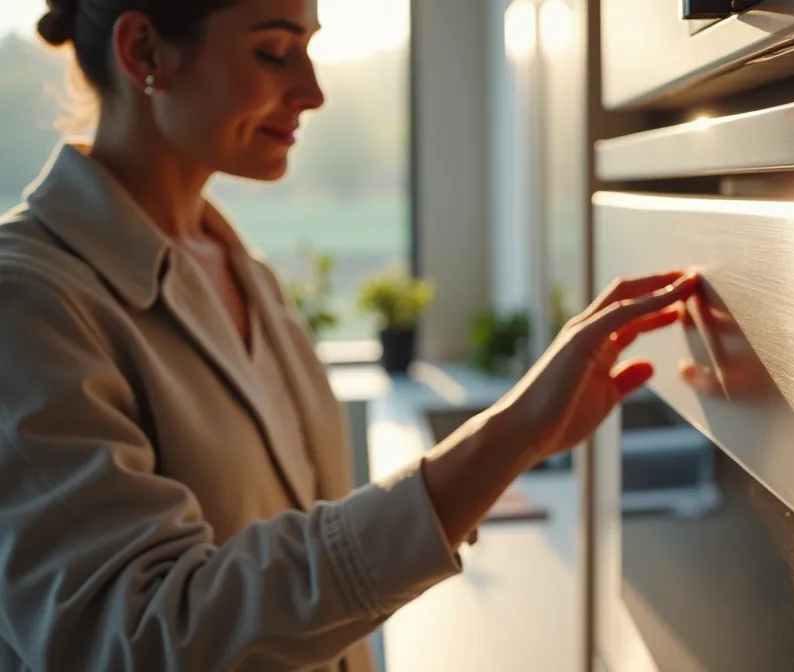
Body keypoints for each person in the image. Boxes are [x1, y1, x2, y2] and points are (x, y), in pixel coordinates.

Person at [0, 0, 696, 669]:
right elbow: (137, 639)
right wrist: (507, 436)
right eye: (273, 52)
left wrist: (516, 446)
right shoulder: (28, 301)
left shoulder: (248, 277)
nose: (312, 91)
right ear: (143, 51)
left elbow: (305, 555)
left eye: (310, 49)